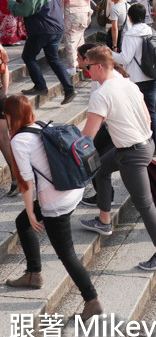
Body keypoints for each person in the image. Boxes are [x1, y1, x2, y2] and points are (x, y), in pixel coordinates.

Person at [4, 95, 102, 318]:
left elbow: (27, 183)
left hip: (57, 200)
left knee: (66, 254)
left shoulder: (18, 141)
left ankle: (91, 299)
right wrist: (27, 215)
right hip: (72, 188)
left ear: (10, 116)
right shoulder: (39, 126)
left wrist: (31, 211)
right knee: (21, 222)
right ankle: (33, 273)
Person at [78, 46, 156, 271]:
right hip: (143, 144)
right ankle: (103, 220)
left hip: (132, 154)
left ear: (99, 66)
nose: (85, 70)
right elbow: (148, 116)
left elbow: (87, 137)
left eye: (88, 67)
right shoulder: (127, 83)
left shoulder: (101, 94)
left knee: (145, 204)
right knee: (100, 170)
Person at [8, 0, 76, 104]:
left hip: (42, 29)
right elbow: (36, 4)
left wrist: (12, 3)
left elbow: (25, 11)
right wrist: (25, 1)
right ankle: (69, 89)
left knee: (28, 56)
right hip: (56, 27)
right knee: (53, 59)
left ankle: (40, 86)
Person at [112, 3, 156, 153]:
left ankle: (142, 144)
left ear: (130, 18)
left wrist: (109, 53)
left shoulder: (130, 34)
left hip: (136, 78)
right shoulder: (151, 31)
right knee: (150, 112)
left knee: (137, 112)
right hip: (152, 75)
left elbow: (125, 58)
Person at [55, 0, 92, 70]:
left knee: (70, 40)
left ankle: (73, 66)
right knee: (80, 39)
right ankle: (82, 63)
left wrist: (59, 16)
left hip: (71, 14)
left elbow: (60, 1)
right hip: (84, 12)